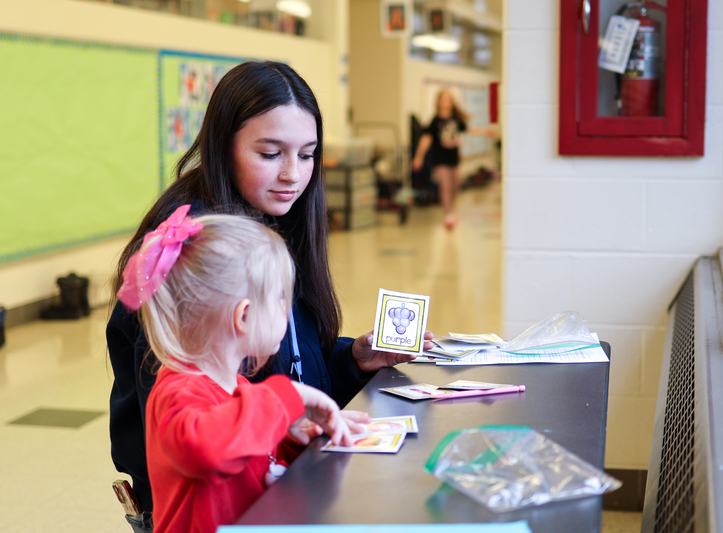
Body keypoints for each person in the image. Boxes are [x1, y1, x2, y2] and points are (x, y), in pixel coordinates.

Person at [106, 60, 433, 532]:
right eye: (270, 153)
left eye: (307, 154)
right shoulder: (199, 253)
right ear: (224, 147)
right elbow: (193, 433)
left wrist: (350, 359)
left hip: (265, 491)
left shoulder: (272, 218)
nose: (292, 175)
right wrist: (285, 402)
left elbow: (287, 359)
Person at [117, 207, 359, 533]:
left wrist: (297, 438)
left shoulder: (237, 386)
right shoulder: (177, 390)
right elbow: (206, 450)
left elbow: (250, 456)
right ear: (243, 317)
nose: (288, 313)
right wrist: (286, 396)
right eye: (280, 299)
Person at [411, 89, 494, 230]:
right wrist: (419, 157)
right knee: (445, 186)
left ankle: (452, 210)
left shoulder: (455, 120)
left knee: (455, 186)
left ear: (452, 103)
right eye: (443, 99)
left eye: (448, 99)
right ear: (438, 102)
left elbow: (468, 130)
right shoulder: (435, 121)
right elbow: (426, 139)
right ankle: (448, 213)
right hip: (439, 160)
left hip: (453, 159)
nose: (446, 102)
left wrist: (485, 132)